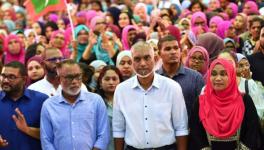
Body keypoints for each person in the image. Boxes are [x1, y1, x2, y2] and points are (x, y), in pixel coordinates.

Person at [113, 41, 188, 150]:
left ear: (156, 59)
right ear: (132, 62)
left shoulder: (172, 87)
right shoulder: (121, 90)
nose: (142, 63)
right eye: (137, 59)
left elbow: (181, 127)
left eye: (147, 58)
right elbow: (118, 130)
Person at [188, 58, 262, 150]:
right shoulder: (201, 102)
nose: (218, 78)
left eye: (223, 74)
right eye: (214, 74)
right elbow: (196, 132)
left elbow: (252, 131)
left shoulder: (244, 100)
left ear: (231, 76)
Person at [40, 59, 110, 150]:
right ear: (58, 79)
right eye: (69, 77)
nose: (74, 81)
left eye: (78, 76)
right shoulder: (49, 106)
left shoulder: (96, 101)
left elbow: (103, 135)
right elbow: (46, 140)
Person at [0, 61, 48, 150]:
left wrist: (27, 129)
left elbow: (51, 134)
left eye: (11, 77)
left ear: (24, 80)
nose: (5, 80)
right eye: (3, 76)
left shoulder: (42, 100)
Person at [157, 35, 204, 118]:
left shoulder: (195, 78)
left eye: (176, 48)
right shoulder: (154, 78)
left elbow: (202, 109)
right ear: (159, 54)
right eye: (168, 49)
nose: (173, 52)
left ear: (180, 51)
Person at [96, 65, 123, 150]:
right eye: (107, 79)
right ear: (100, 83)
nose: (111, 82)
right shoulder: (95, 102)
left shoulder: (127, 101)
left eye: (114, 79)